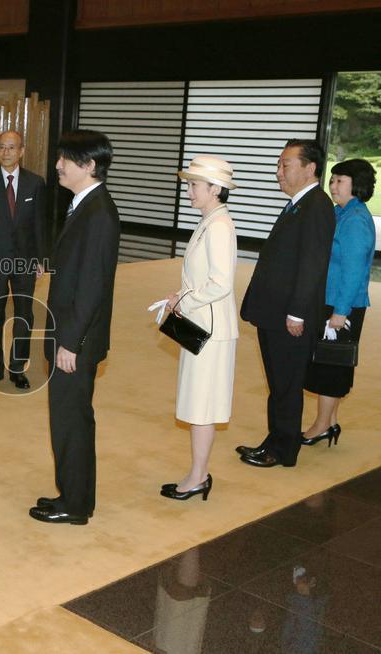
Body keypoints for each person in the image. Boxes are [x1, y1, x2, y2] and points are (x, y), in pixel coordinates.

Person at [29, 129, 120, 526]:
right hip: (69, 333)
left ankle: (77, 504)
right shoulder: (85, 205)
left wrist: (70, 342)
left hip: (75, 339)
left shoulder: (99, 212)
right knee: (66, 418)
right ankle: (71, 493)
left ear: (89, 166)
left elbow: (92, 287)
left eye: (66, 159)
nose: (58, 165)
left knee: (72, 420)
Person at [236, 140, 335, 468]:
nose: (278, 172)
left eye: (285, 165)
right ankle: (276, 439)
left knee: (287, 384)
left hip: (290, 316)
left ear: (310, 168)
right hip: (275, 311)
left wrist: (296, 311)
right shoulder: (298, 204)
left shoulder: (317, 205)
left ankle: (282, 449)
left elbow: (312, 263)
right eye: (279, 165)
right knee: (279, 382)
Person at [159, 156, 239, 501]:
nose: (189, 190)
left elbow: (221, 283)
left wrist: (184, 302)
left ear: (215, 189)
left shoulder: (219, 226)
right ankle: (197, 473)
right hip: (201, 324)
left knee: (202, 404)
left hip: (210, 329)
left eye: (194, 184)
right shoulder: (210, 221)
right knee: (197, 402)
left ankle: (198, 476)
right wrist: (182, 295)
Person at [301, 159, 376, 448]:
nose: (333, 186)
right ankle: (329, 423)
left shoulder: (355, 219)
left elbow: (354, 269)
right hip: (332, 301)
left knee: (330, 368)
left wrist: (339, 312)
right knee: (332, 363)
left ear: (356, 185)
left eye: (340, 181)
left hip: (341, 306)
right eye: (332, 180)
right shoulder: (342, 212)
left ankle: (321, 425)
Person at [0, 130, 47, 389]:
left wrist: (40, 259)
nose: (6, 152)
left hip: (25, 260)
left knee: (24, 315)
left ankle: (17, 368)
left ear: (21, 151)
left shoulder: (35, 183)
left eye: (11, 148)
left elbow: (39, 224)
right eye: (2, 147)